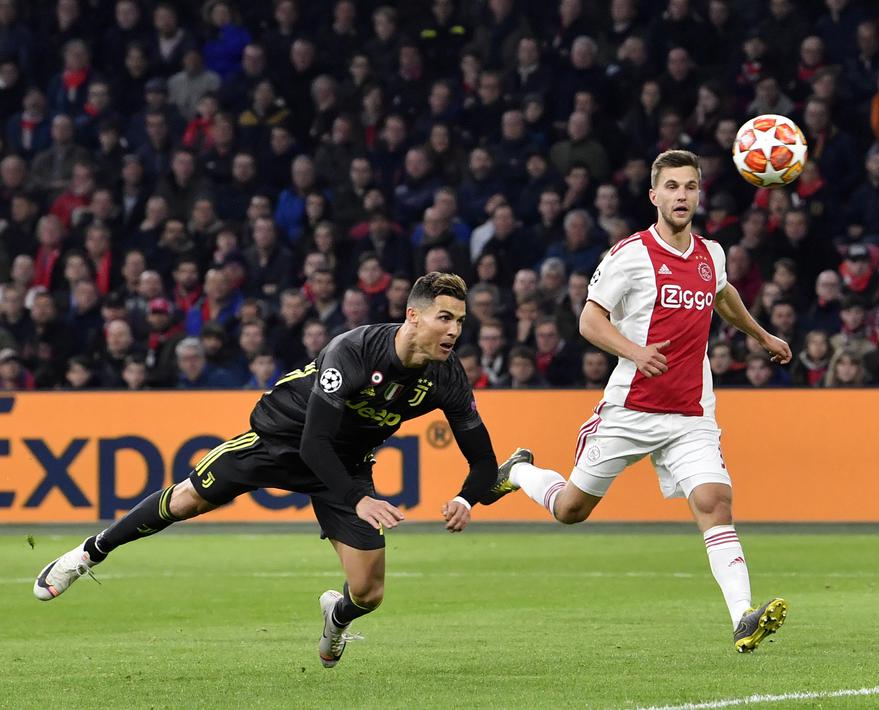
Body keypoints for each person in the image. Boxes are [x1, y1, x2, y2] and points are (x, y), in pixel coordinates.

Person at [33, 273, 513, 667]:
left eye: (460, 321)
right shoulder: (354, 350)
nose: (454, 331)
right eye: (444, 318)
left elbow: (483, 460)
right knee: (186, 500)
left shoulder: (447, 376)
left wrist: (466, 498)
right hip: (281, 439)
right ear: (413, 316)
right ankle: (87, 554)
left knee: (369, 593)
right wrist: (359, 499)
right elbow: (313, 441)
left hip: (345, 464)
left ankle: (336, 619)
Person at [491, 150, 793, 652]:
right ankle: (519, 471)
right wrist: (635, 351)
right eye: (671, 187)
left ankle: (743, 616)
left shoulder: (711, 254)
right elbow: (590, 320)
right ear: (654, 196)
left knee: (715, 503)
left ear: (699, 194)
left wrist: (762, 336)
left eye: (690, 186)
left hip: (691, 414)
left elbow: (722, 295)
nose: (681, 195)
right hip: (629, 411)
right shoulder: (630, 255)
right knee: (571, 509)